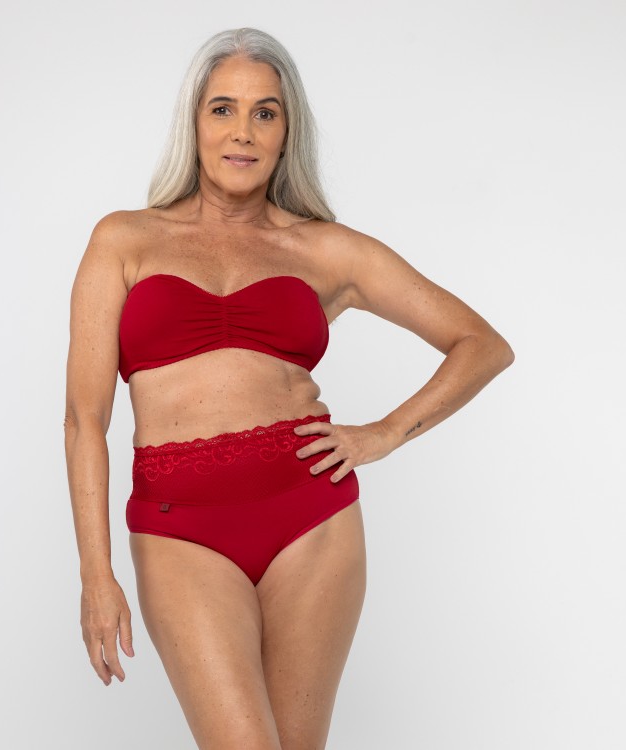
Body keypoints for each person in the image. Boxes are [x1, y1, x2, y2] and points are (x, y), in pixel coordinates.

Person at [64, 26, 514, 749]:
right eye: (223, 108)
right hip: (179, 526)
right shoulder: (124, 240)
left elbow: (482, 345)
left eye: (264, 112)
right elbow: (85, 419)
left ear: (286, 133)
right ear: (194, 122)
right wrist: (96, 573)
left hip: (312, 520)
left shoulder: (326, 249)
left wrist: (383, 434)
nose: (242, 131)